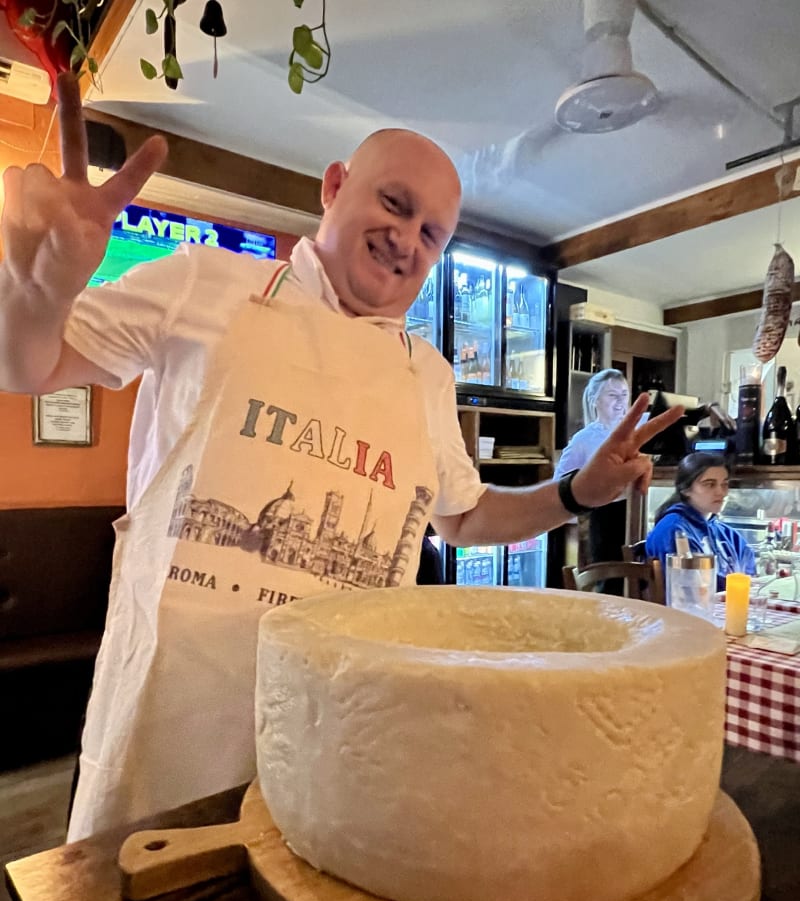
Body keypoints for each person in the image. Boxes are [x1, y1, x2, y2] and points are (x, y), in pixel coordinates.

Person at [0, 74, 681, 841]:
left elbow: (460, 518)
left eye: (432, 234)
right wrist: (31, 292)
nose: (406, 239)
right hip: (169, 733)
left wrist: (576, 492)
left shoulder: (427, 372)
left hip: (340, 737)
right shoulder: (203, 279)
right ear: (334, 187)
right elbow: (29, 367)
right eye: (395, 204)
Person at [554, 369, 641, 586]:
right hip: (606, 517)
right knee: (612, 582)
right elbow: (559, 483)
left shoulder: (637, 431)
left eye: (624, 394)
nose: (620, 401)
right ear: (595, 401)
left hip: (637, 516)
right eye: (612, 395)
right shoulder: (584, 439)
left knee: (638, 582)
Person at [645, 452, 755, 589]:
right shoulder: (674, 530)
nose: (721, 492)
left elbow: (750, 569)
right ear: (685, 489)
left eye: (725, 484)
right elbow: (689, 586)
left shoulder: (726, 533)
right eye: (709, 484)